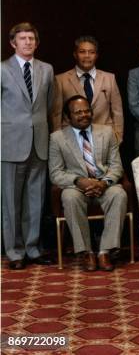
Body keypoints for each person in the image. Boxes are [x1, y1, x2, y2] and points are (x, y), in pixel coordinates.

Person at [48, 96, 127, 271]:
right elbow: (55, 173)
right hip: (76, 187)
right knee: (69, 197)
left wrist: (104, 183)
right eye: (78, 112)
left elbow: (116, 166)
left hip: (104, 185)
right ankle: (86, 252)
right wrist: (78, 181)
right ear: (68, 117)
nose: (84, 115)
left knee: (119, 193)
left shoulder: (106, 132)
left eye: (86, 111)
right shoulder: (57, 138)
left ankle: (105, 251)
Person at [1, 22, 54, 269]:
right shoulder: (2, 70)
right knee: (11, 202)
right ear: (13, 43)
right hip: (10, 144)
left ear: (37, 42)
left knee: (35, 199)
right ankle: (14, 252)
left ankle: (33, 249)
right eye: (22, 39)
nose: (27, 42)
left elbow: (50, 104)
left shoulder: (47, 69)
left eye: (31, 38)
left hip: (39, 142)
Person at [52, 36, 124, 142]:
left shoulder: (109, 78)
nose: (87, 56)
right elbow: (56, 114)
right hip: (72, 139)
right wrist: (57, 139)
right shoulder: (60, 80)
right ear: (75, 54)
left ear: (96, 55)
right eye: (82, 52)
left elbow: (117, 112)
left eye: (91, 52)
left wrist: (118, 136)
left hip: (104, 138)